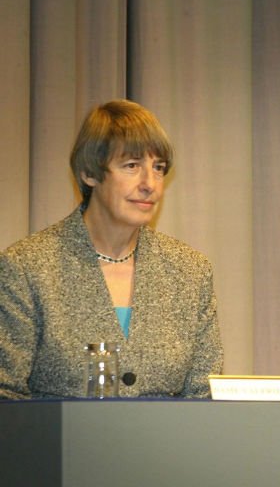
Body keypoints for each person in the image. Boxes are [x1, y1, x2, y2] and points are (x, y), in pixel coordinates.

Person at [0, 99, 223, 399]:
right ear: (89, 174)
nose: (150, 184)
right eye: (132, 166)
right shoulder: (26, 268)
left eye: (158, 168)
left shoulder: (190, 272)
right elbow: (6, 396)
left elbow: (203, 396)